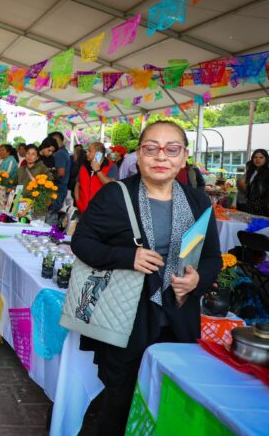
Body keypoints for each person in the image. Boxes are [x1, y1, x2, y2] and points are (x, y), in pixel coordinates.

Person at [72, 120, 220, 435]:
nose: (161, 157)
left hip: (178, 319)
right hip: (127, 319)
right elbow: (82, 243)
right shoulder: (115, 195)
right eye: (151, 148)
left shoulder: (197, 201)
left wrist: (196, 280)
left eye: (172, 149)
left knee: (167, 402)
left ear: (184, 157)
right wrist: (129, 257)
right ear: (139, 156)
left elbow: (211, 258)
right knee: (120, 403)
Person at [75, 142, 118, 213]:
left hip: (101, 212)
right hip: (83, 210)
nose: (87, 153)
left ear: (98, 153)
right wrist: (78, 202)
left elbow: (112, 186)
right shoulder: (84, 166)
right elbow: (77, 185)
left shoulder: (111, 166)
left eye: (90, 151)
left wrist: (98, 170)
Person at [47, 131, 71, 220]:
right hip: (60, 189)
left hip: (57, 190)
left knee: (51, 216)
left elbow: (61, 173)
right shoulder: (63, 152)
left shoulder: (59, 153)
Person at [238, 149, 269, 216]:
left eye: (261, 157)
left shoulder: (267, 173)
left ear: (266, 159)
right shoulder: (252, 172)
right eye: (255, 157)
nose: (258, 160)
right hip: (250, 207)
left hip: (263, 209)